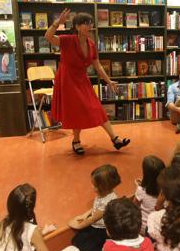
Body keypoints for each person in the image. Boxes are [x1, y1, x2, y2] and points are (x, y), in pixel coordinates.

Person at [46, 10, 130, 155]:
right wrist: (57, 23)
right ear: (77, 26)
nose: (89, 25)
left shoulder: (91, 44)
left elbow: (97, 66)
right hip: (67, 79)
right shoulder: (67, 40)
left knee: (96, 107)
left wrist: (108, 81)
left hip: (81, 79)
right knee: (76, 110)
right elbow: (48, 36)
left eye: (90, 23)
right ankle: (76, 141)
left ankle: (115, 139)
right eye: (85, 23)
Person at [68, 165, 120, 251]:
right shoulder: (103, 193)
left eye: (95, 185)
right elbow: (96, 208)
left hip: (101, 230)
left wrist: (77, 225)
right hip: (95, 225)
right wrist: (85, 215)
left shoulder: (107, 201)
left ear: (104, 187)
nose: (92, 187)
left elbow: (93, 219)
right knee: (78, 241)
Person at [132, 155, 165, 235]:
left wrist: (138, 187)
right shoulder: (166, 190)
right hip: (160, 227)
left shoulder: (141, 190)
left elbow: (134, 206)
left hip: (144, 228)